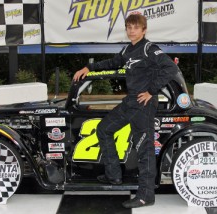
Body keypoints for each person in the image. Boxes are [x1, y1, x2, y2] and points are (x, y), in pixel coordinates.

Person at [73, 13, 179, 208]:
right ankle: (114, 176)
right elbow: (112, 63)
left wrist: (151, 91)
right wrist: (89, 67)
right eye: (129, 27)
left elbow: (171, 68)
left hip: (143, 105)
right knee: (104, 129)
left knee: (144, 149)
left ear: (144, 30)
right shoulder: (128, 50)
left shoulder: (149, 49)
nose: (132, 31)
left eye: (135, 28)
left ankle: (146, 196)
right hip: (130, 102)